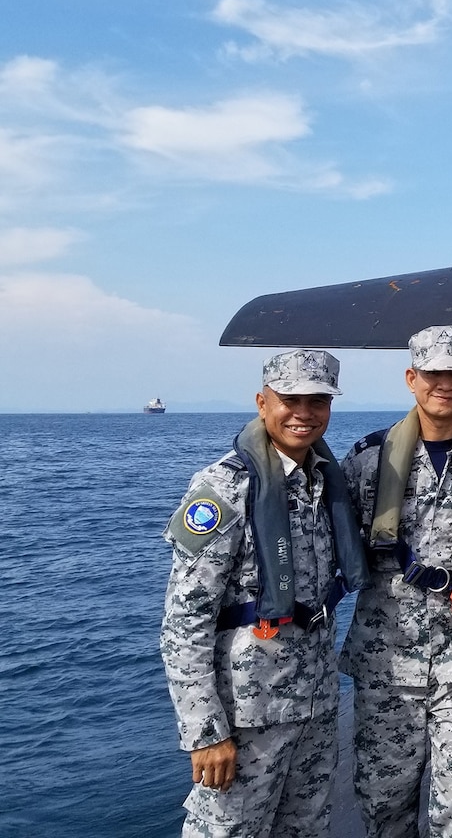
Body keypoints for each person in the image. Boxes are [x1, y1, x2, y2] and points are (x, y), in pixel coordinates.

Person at [160, 350, 369, 838]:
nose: (304, 412)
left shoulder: (323, 483)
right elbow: (183, 622)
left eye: (317, 400)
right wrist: (206, 733)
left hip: (314, 706)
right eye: (289, 399)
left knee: (306, 830)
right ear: (261, 401)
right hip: (248, 716)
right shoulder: (224, 488)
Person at [339, 325, 452, 838]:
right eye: (432, 373)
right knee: (385, 802)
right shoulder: (369, 460)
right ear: (412, 378)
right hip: (388, 657)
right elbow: (330, 545)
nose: (443, 383)